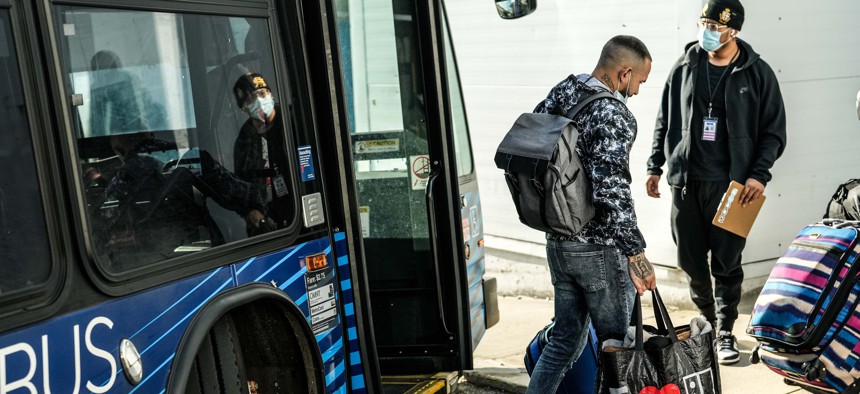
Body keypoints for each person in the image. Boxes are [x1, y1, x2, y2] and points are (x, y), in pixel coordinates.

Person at [645, 0, 787, 365]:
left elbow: (773, 131)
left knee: (727, 262)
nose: (705, 30)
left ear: (733, 30)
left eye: (713, 24)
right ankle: (705, 322)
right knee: (690, 261)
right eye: (703, 21)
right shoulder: (685, 66)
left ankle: (725, 330)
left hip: (734, 189)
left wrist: (758, 174)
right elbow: (665, 117)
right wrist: (655, 166)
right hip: (687, 184)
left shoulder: (757, 73)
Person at [526, 35, 656, 394]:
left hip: (559, 243)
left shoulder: (563, 92)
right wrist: (635, 252)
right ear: (624, 72)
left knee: (564, 341)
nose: (638, 92)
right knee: (619, 350)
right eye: (640, 82)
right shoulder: (614, 114)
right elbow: (611, 188)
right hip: (598, 251)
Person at [233, 72, 293, 231]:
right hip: (265, 219)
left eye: (262, 93)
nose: (259, 100)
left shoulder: (290, 121)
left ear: (271, 95)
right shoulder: (245, 136)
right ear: (243, 107)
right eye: (252, 98)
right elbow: (241, 179)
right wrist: (250, 210)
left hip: (296, 211)